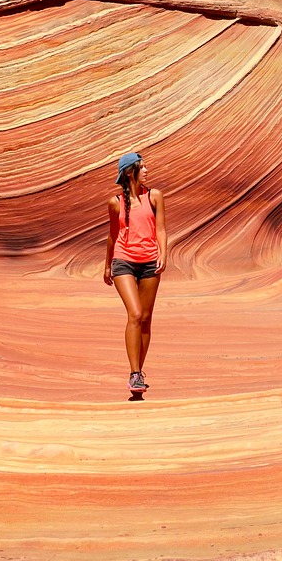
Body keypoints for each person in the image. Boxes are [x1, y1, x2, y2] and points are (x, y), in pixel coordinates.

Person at [104, 151, 167, 395]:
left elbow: (160, 229)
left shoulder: (155, 196)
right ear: (131, 172)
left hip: (150, 261)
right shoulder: (115, 203)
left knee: (146, 318)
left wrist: (163, 253)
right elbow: (112, 234)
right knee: (135, 313)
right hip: (124, 261)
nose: (147, 171)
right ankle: (134, 373)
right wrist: (108, 264)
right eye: (143, 167)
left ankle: (139, 372)